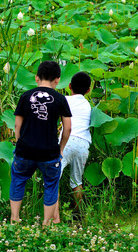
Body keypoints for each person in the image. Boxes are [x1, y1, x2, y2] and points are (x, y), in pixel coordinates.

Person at [9, 61, 71, 225]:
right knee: (51, 185)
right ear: (57, 80)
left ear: (37, 78)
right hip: (49, 152)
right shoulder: (60, 99)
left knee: (18, 180)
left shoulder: (25, 96)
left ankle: (14, 219)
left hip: (25, 150)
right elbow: (68, 128)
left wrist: (20, 144)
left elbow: (17, 125)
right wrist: (61, 149)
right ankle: (46, 224)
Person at [58, 72, 92, 216]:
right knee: (76, 181)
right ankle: (78, 214)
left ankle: (55, 215)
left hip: (67, 141)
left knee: (53, 179)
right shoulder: (89, 105)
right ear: (88, 91)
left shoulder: (64, 100)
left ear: (69, 86)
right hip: (84, 143)